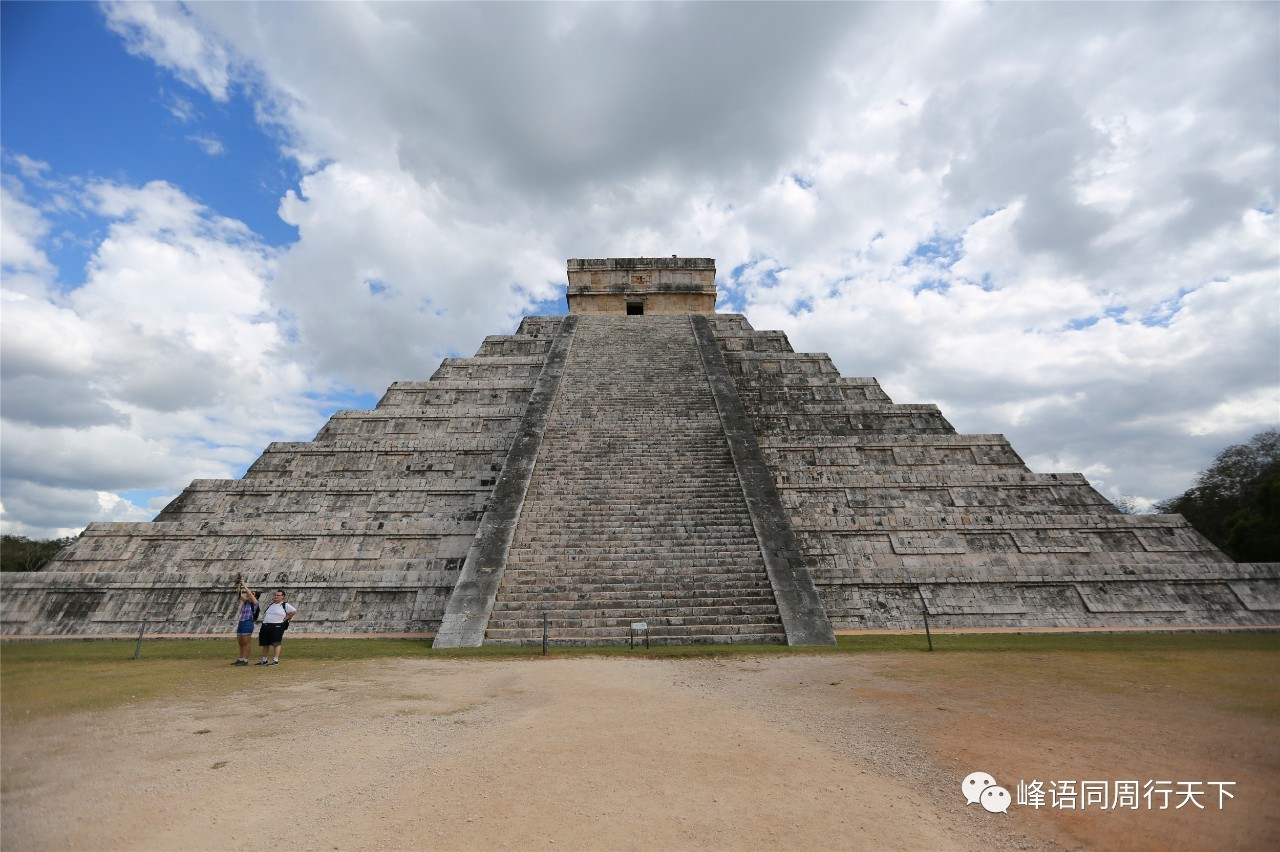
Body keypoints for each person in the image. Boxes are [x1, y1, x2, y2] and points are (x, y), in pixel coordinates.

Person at [256, 589, 297, 666]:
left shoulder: (285, 605)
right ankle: (264, 660)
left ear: (282, 597)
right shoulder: (271, 605)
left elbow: (294, 611)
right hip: (266, 625)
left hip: (277, 626)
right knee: (265, 643)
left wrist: (286, 618)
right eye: (275, 595)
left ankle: (275, 660)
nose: (276, 596)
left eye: (278, 595)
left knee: (276, 643)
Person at [232, 579, 259, 666]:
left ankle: (245, 660)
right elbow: (239, 594)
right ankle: (241, 658)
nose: (250, 594)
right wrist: (238, 585)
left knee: (246, 641)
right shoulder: (247, 602)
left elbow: (250, 594)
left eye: (253, 594)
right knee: (240, 642)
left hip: (248, 622)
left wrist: (244, 585)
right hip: (242, 622)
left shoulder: (255, 603)